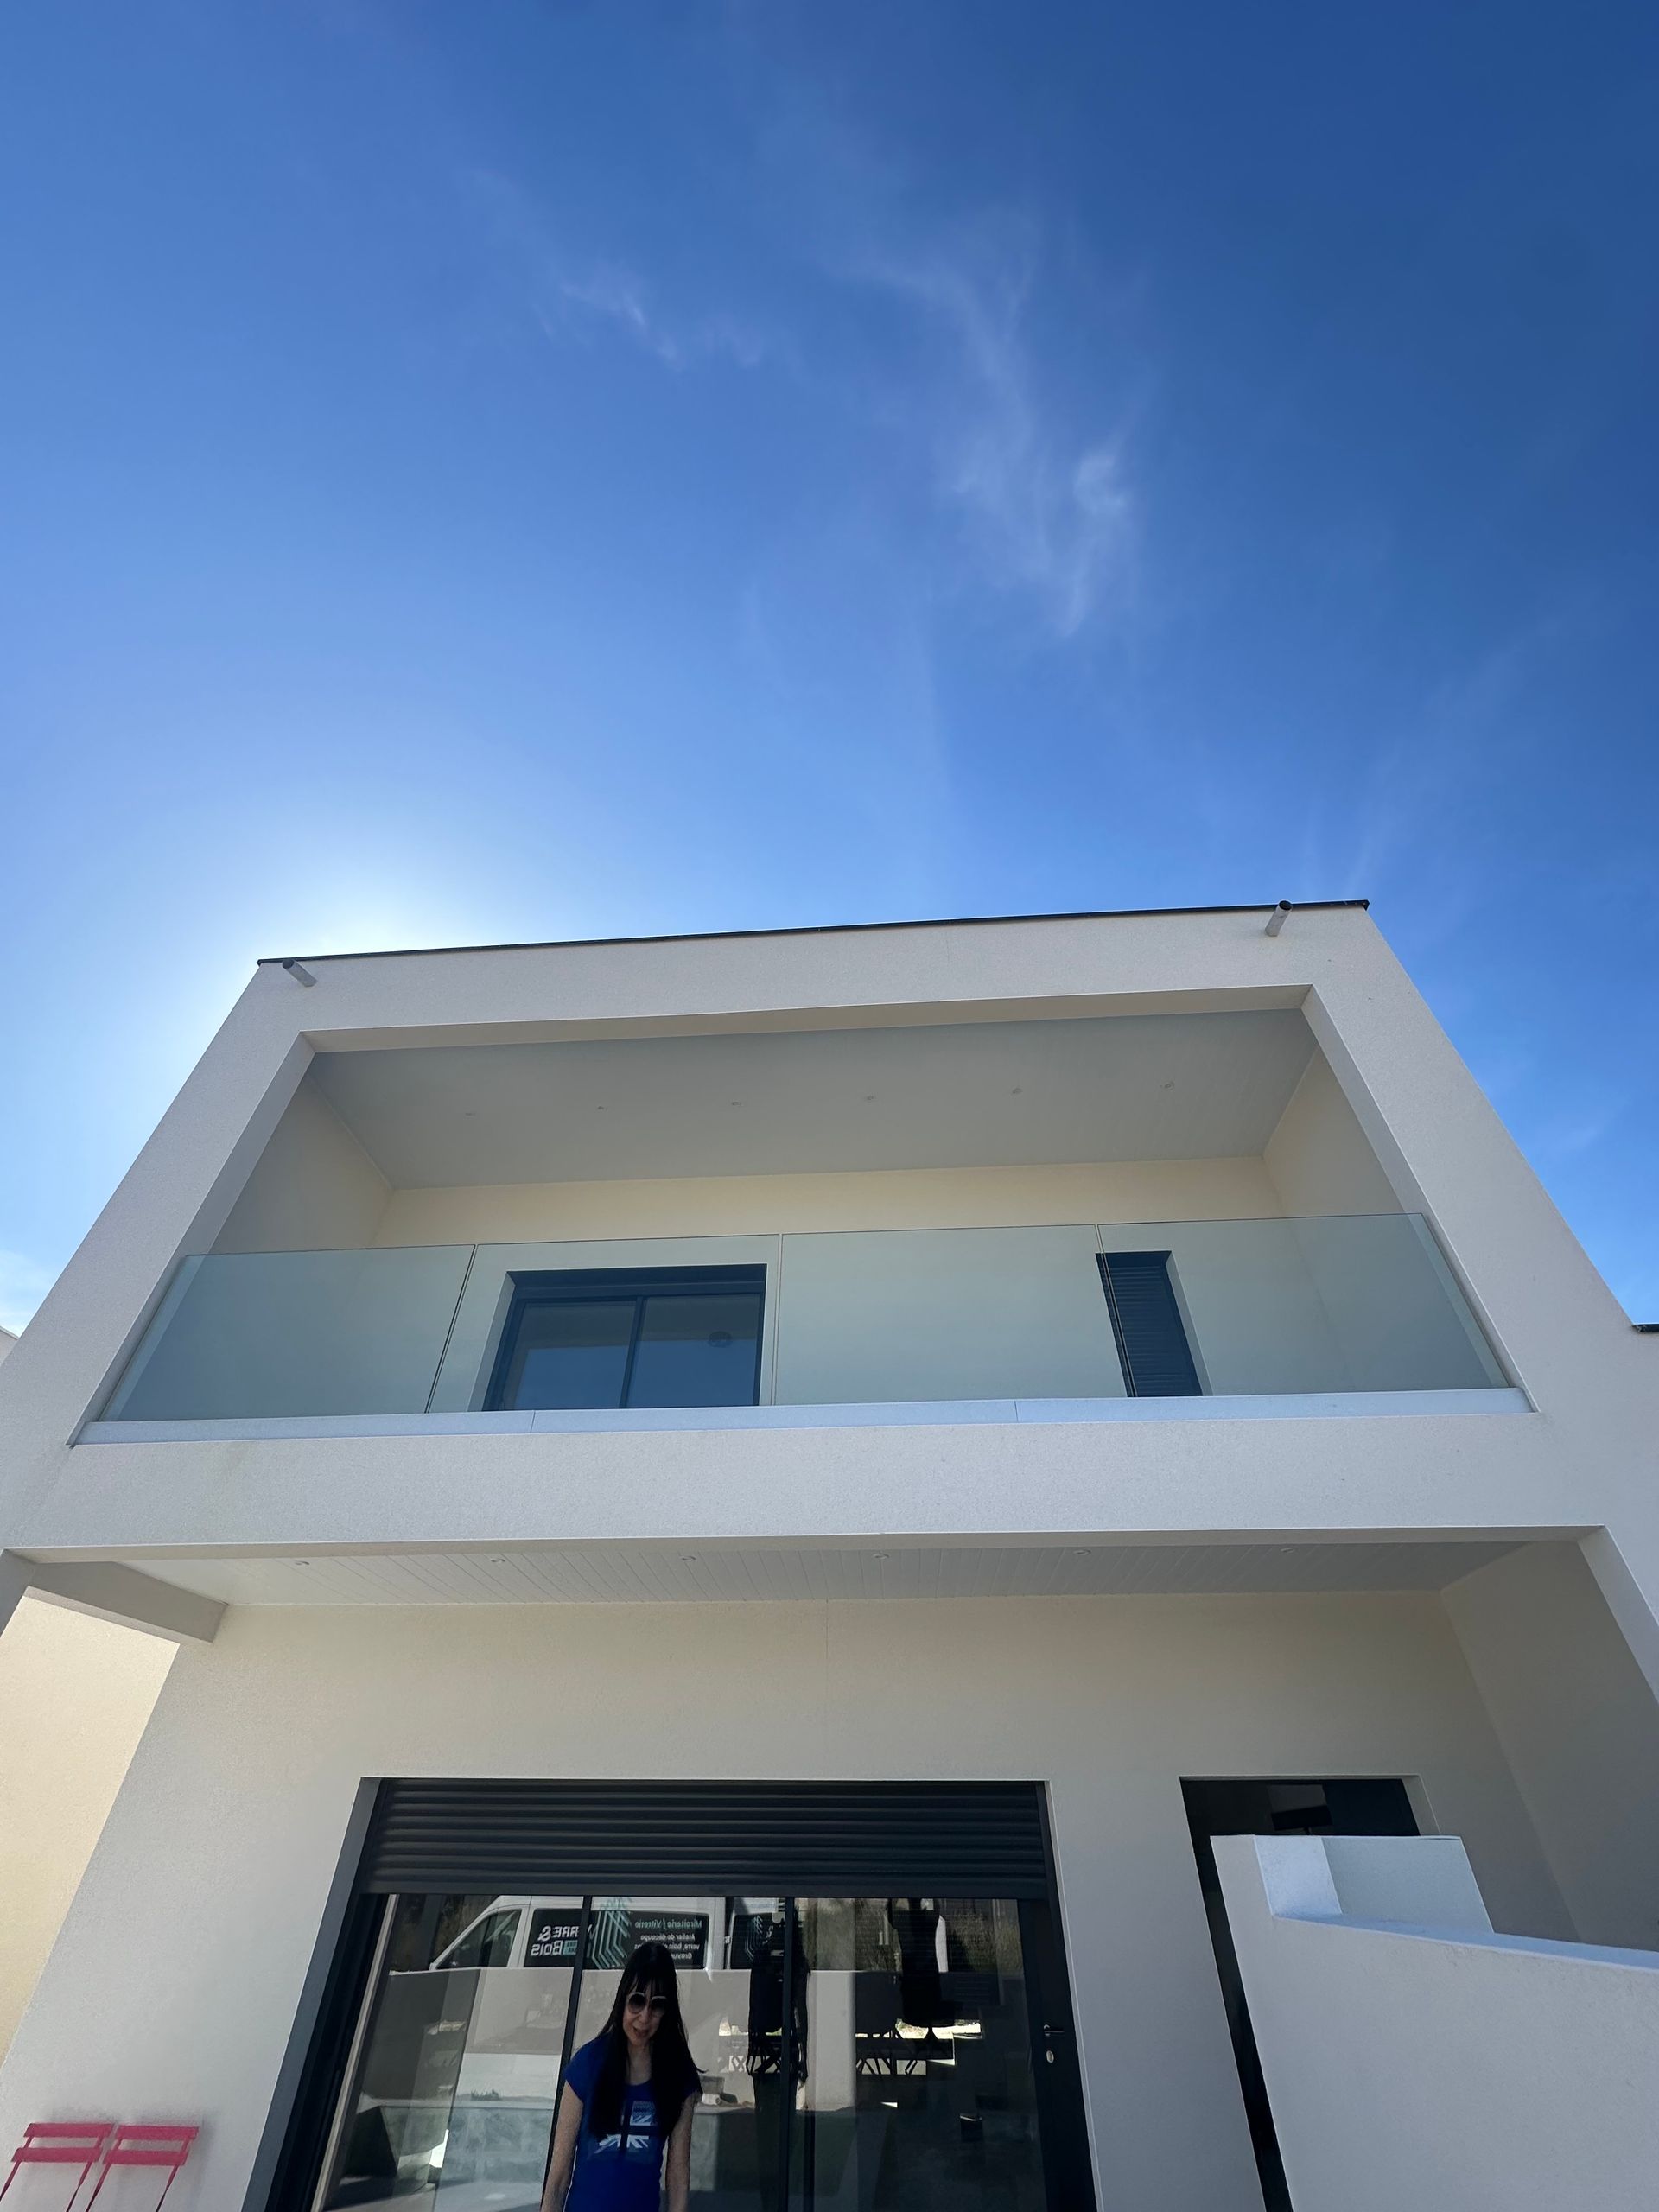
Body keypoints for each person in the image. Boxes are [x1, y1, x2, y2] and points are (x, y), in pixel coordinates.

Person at [541, 1942, 702, 2212]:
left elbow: (677, 2176)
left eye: (657, 2005)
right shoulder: (588, 2064)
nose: (644, 2017)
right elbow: (558, 2176)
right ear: (622, 1999)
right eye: (637, 2001)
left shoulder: (679, 2076)